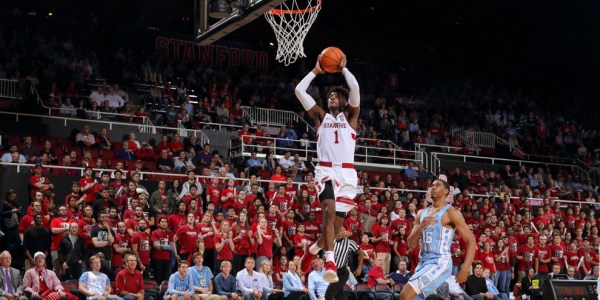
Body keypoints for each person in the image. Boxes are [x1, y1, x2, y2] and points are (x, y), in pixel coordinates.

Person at [295, 52, 361, 284]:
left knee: (335, 227)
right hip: (325, 170)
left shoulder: (351, 116)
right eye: (329, 95)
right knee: (329, 213)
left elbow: (355, 88)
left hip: (348, 173)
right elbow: (299, 91)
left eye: (335, 96)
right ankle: (329, 261)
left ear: (344, 102)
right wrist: (315, 71)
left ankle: (312, 250)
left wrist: (343, 68)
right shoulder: (320, 116)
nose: (331, 97)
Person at [400, 179, 476, 300]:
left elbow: (471, 241)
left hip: (440, 262)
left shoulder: (451, 213)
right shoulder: (421, 213)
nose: (433, 188)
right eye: (432, 186)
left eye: (437, 186)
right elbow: (411, 244)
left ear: (446, 191)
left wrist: (465, 268)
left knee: (405, 295)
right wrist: (420, 227)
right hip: (423, 262)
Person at [323, 227, 365, 300]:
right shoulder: (331, 241)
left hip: (342, 272)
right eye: (337, 231)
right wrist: (328, 256)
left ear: (344, 232)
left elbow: (361, 253)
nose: (338, 232)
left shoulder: (349, 242)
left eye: (340, 231)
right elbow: (323, 257)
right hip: (332, 270)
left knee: (328, 295)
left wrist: (359, 267)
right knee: (339, 296)